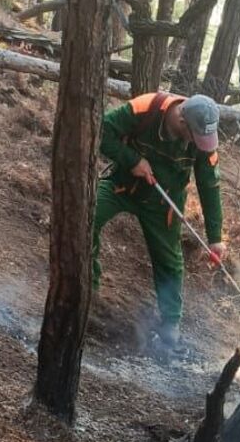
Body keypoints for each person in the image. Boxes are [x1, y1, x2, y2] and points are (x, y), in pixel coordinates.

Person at [92, 91, 228, 348]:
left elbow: (210, 185)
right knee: (88, 219)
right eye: (196, 137)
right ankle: (88, 289)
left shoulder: (203, 142)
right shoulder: (145, 108)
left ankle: (170, 323)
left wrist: (215, 238)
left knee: (169, 260)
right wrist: (132, 160)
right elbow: (101, 132)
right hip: (122, 185)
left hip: (164, 204)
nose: (200, 143)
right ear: (182, 121)